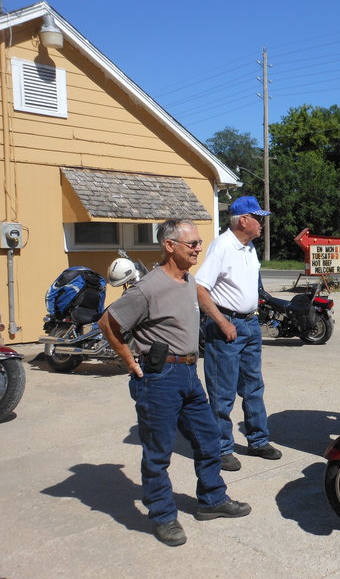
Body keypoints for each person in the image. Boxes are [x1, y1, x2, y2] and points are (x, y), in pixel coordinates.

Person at [98, 219, 251, 547]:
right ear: (169, 245)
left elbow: (199, 297)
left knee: (209, 439)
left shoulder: (187, 280)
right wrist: (129, 361)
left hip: (187, 374)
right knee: (158, 452)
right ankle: (163, 515)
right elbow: (107, 322)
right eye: (192, 244)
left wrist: (222, 321)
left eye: (198, 243)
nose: (198, 248)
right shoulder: (148, 288)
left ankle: (212, 500)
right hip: (159, 379)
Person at [195, 195, 281, 472]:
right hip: (227, 328)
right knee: (222, 392)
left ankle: (258, 440)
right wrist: (222, 323)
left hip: (249, 325)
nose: (262, 223)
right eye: (259, 218)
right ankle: (220, 449)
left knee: (254, 386)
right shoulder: (222, 246)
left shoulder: (249, 247)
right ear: (243, 220)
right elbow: (199, 288)